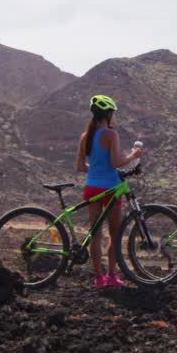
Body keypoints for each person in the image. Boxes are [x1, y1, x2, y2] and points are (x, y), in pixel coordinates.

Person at [76, 94, 142, 288]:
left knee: (94, 234)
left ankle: (98, 278)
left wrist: (96, 171)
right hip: (111, 188)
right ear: (108, 113)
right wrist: (133, 155)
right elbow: (116, 162)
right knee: (115, 233)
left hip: (91, 188)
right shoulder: (111, 134)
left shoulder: (84, 136)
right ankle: (112, 276)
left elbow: (80, 166)